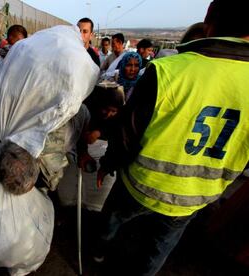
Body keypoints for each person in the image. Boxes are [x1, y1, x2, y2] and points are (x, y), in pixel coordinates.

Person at [94, 0, 249, 275]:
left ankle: (98, 254)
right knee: (159, 247)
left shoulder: (167, 70)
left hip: (142, 185)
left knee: (113, 219)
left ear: (209, 17)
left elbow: (128, 135)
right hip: (197, 195)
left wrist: (108, 164)